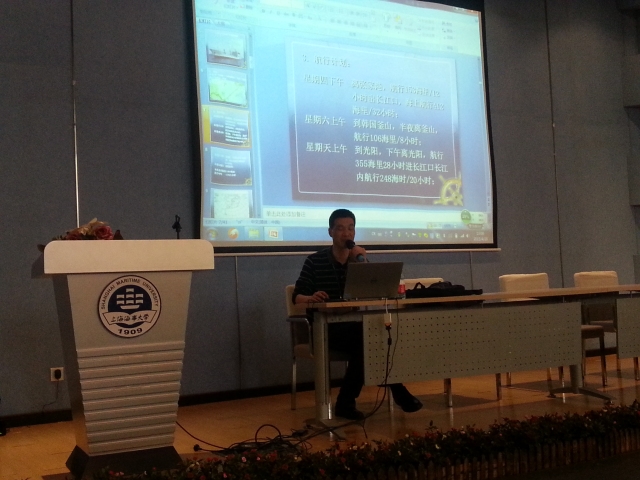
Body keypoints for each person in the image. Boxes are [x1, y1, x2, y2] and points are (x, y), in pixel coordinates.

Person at [292, 208, 423, 420]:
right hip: (323, 328)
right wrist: (311, 297)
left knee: (373, 338)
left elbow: (376, 292)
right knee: (369, 339)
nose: (346, 233)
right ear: (330, 232)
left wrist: (362, 262)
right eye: (340, 228)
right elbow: (296, 297)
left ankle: (347, 403)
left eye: (350, 228)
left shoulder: (358, 261)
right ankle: (396, 391)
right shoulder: (314, 261)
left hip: (352, 326)